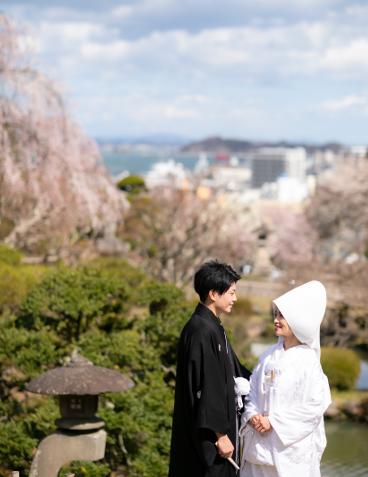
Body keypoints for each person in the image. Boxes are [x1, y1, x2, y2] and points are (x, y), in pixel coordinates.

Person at [239, 280, 331, 477]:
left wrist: (273, 422)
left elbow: (315, 407)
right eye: (276, 314)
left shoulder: (309, 362)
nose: (276, 320)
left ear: (297, 321)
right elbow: (253, 390)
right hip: (258, 452)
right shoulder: (268, 355)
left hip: (290, 456)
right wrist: (253, 414)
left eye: (282, 316)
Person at [169, 260, 251, 477]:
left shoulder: (213, 326)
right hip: (209, 436)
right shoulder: (200, 330)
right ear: (213, 294)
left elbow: (235, 369)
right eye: (231, 292)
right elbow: (206, 386)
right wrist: (220, 435)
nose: (235, 298)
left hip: (216, 431)